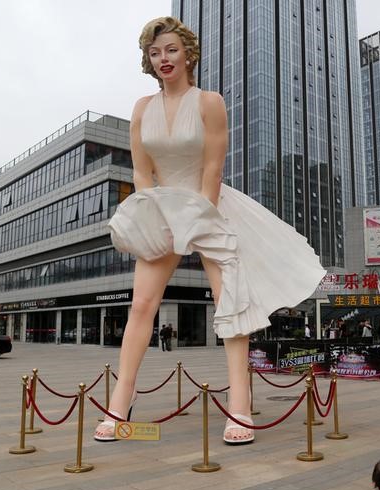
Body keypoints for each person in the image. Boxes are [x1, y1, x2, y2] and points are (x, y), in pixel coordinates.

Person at [94, 17, 325, 444]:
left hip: (209, 206)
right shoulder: (142, 108)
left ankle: (240, 406)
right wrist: (157, 215)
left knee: (229, 304)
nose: (163, 59)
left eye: (171, 50)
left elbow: (214, 170)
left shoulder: (209, 102)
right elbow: (142, 173)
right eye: (155, 52)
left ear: (188, 54)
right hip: (161, 209)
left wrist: (196, 218)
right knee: (142, 305)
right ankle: (118, 405)